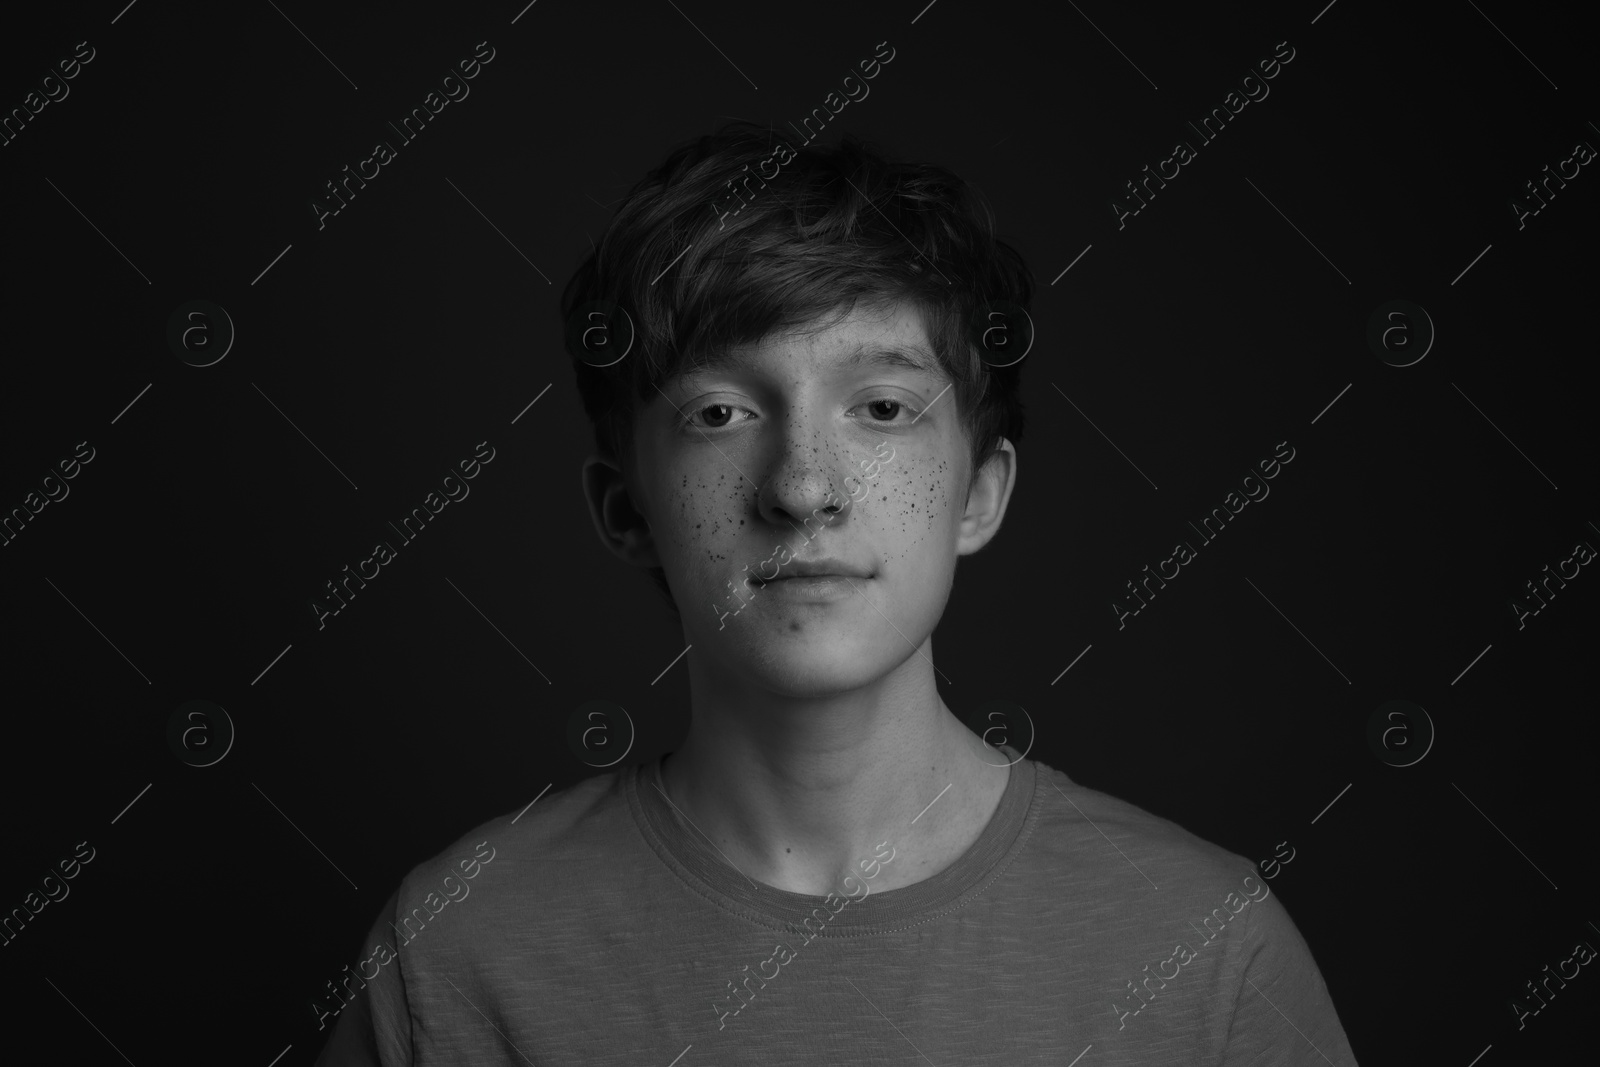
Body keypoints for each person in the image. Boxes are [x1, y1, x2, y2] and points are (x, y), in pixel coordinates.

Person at [313, 122, 1359, 1065]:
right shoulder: (457, 949)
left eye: (884, 406)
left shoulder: (1203, 949)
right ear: (625, 507)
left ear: (978, 492)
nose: (803, 486)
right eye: (720, 412)